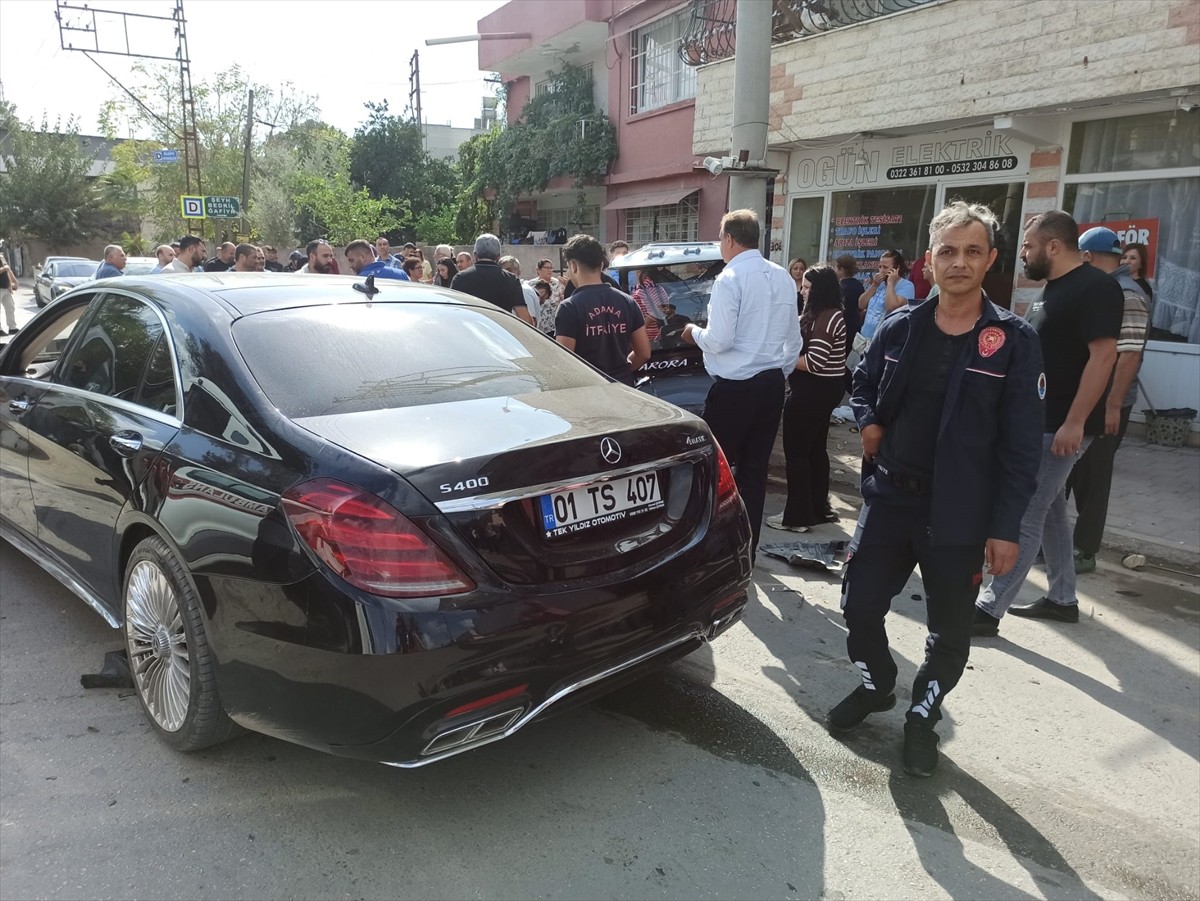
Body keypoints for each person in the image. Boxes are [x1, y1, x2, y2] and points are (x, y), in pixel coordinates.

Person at [835, 201, 1044, 776]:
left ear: (991, 260)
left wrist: (1005, 529)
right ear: (929, 259)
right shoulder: (901, 327)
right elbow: (863, 382)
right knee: (858, 604)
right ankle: (878, 684)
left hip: (960, 513)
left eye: (972, 251)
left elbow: (1023, 448)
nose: (959, 262)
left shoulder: (1012, 340)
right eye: (948, 251)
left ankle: (922, 718)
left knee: (948, 631)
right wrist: (869, 419)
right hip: (891, 498)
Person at [974, 211, 1122, 635]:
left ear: (1053, 246)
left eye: (1028, 245)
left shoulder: (1097, 288)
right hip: (1041, 422)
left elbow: (1103, 356)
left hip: (1063, 424)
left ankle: (988, 608)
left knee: (1026, 509)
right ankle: (1062, 599)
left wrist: (1075, 423)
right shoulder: (1052, 290)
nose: (1024, 252)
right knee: (1052, 511)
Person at [680, 209, 803, 556]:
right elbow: (793, 341)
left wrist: (693, 333)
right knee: (754, 469)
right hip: (771, 384)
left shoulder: (729, 279)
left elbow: (719, 340)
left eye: (721, 238)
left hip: (735, 388)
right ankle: (747, 545)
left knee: (715, 469)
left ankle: (711, 547)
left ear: (729, 239)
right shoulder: (782, 277)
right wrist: (778, 373)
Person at [1067, 227, 1150, 574]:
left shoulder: (1127, 293)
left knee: (1093, 475)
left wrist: (1113, 404)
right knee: (1067, 472)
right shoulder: (1102, 288)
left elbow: (1129, 355)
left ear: (1087, 257)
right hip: (1087, 396)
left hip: (1108, 401)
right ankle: (1053, 542)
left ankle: (1084, 550)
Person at [767, 265, 848, 532]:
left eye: (807, 287)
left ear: (820, 290)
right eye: (802, 286)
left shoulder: (828, 317)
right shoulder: (822, 314)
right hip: (821, 390)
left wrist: (780, 358)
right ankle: (816, 507)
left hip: (814, 391)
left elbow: (815, 362)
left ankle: (798, 517)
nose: (802, 291)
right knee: (814, 450)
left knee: (798, 453)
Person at [554, 234, 650, 385]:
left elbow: (565, 362)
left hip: (588, 393)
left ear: (573, 266)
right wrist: (621, 373)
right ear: (601, 264)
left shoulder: (569, 307)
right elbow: (644, 353)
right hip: (623, 389)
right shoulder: (628, 302)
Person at [450, 234, 531, 323]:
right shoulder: (511, 279)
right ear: (498, 256)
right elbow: (525, 318)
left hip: (470, 333)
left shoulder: (460, 278)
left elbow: (453, 313)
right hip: (499, 333)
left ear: (475, 255)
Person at [858, 250, 915, 345]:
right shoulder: (879, 284)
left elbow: (891, 306)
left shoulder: (906, 286)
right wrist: (874, 285)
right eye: (880, 267)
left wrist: (890, 283)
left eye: (885, 267)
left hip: (884, 340)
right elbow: (861, 304)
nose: (881, 270)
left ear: (897, 269)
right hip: (865, 338)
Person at [631, 269, 667, 347]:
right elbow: (664, 309)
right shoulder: (660, 289)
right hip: (662, 334)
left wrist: (641, 327)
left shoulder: (641, 292)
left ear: (639, 273)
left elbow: (659, 311)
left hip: (648, 337)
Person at [498, 255, 540, 321]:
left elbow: (530, 322)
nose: (506, 274)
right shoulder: (510, 289)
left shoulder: (524, 291)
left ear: (519, 272)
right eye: (502, 271)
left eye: (509, 271)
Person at [834, 255, 864, 347]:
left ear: (842, 270)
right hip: (855, 326)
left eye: (836, 268)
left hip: (841, 326)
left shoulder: (838, 286)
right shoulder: (858, 285)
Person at [344, 239, 409, 279]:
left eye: (351, 260)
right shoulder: (401, 275)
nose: (350, 266)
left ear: (363, 257)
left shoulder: (359, 282)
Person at [0, 252, 18, 335]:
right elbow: (6, 269)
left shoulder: (1, 257)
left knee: (10, 307)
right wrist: (5, 268)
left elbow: (8, 270)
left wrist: (12, 282)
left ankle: (12, 328)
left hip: (5, 287)